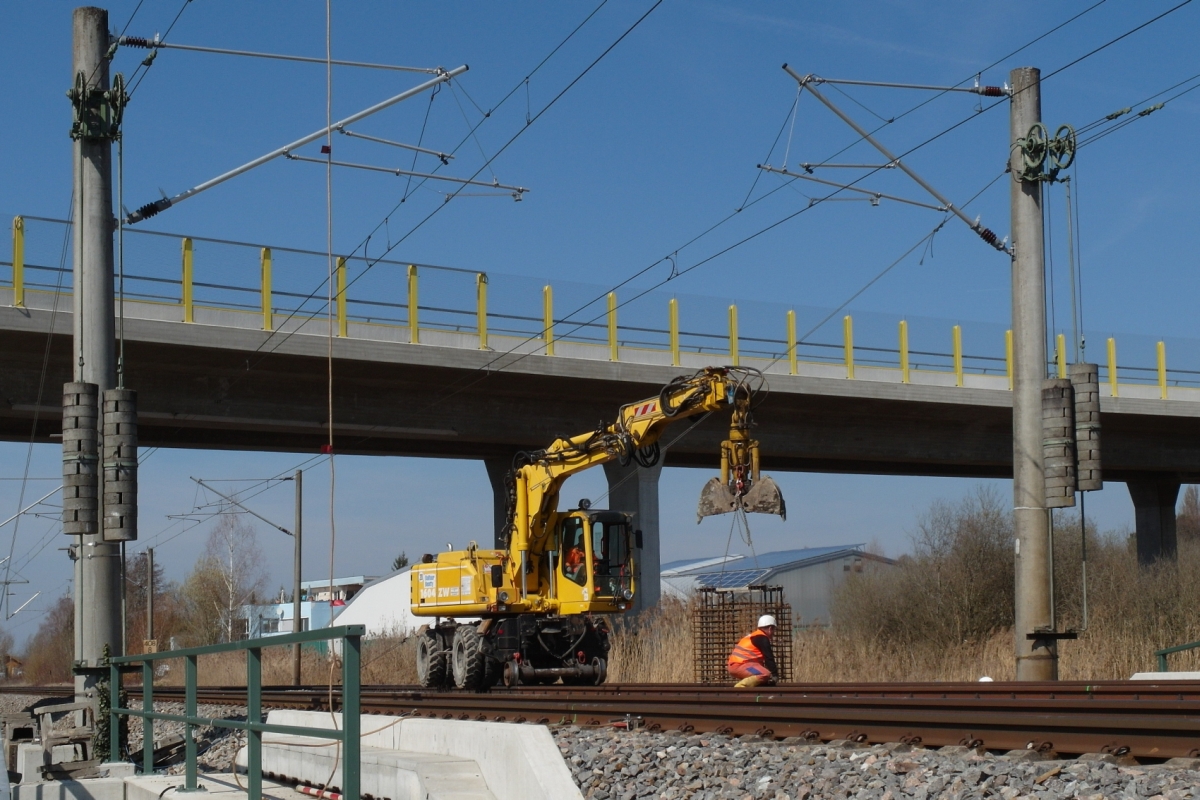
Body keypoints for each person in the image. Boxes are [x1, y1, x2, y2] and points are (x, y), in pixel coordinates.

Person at [727, 614, 779, 688]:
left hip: (737, 665)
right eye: (774, 629)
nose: (774, 633)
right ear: (770, 628)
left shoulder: (754, 636)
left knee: (761, 677)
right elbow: (769, 658)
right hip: (740, 665)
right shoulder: (762, 638)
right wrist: (775, 675)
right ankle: (739, 688)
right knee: (764, 674)